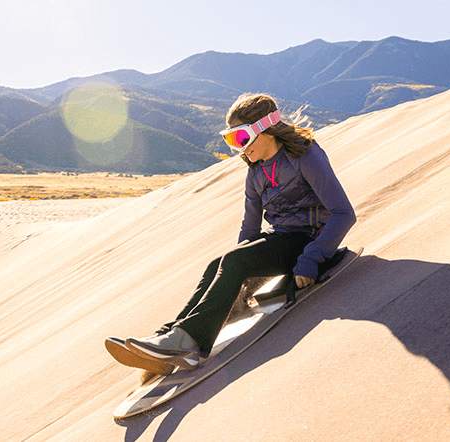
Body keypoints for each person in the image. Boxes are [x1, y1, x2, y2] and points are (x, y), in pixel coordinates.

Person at [124, 93, 356, 370]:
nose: (239, 149)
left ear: (265, 129)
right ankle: (169, 337)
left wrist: (312, 258)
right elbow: (250, 228)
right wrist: (240, 274)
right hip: (281, 238)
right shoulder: (255, 172)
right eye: (231, 141)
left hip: (310, 239)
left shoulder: (304, 155)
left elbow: (344, 213)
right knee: (220, 263)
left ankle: (188, 343)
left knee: (235, 262)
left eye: (242, 139)